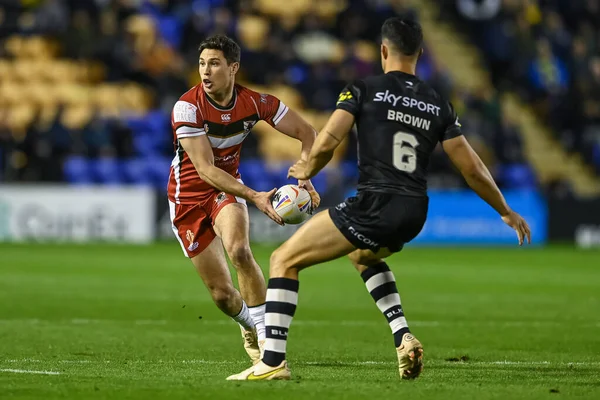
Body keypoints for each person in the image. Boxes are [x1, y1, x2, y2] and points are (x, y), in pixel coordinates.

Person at [227, 17, 531, 381]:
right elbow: (473, 168)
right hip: (415, 210)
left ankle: (272, 361)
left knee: (283, 259)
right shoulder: (438, 103)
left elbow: (328, 139)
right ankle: (403, 336)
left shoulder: (364, 88)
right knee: (362, 255)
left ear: (383, 50)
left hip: (375, 203)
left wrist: (306, 169)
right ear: (419, 53)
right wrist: (506, 210)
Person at [168, 34, 320, 366]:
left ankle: (269, 344)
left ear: (234, 67)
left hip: (227, 190)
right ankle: (250, 325)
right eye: (202, 64)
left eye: (214, 64)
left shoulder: (256, 102)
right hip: (187, 199)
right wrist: (255, 196)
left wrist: (305, 176)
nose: (205, 72)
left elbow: (309, 133)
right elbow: (206, 170)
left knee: (239, 249)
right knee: (222, 295)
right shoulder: (187, 106)